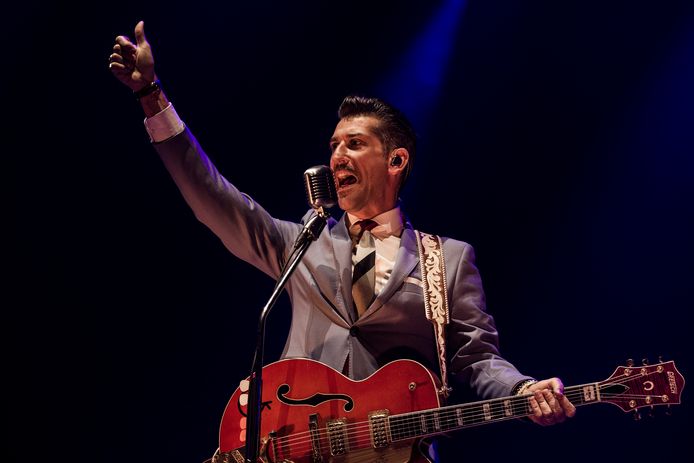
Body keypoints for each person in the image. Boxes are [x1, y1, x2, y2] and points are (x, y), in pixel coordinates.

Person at [109, 20, 576, 462]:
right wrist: (152, 97)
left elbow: (476, 357)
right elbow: (213, 197)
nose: (337, 156)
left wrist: (523, 389)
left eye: (354, 144)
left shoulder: (447, 260)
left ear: (395, 161)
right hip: (302, 447)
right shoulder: (301, 242)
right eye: (333, 146)